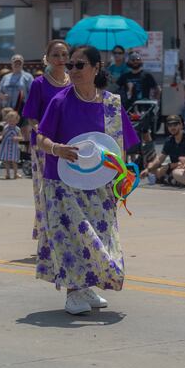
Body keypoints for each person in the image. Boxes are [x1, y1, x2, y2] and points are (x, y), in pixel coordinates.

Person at [35, 44, 139, 315]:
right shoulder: (60, 101)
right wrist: (57, 149)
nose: (73, 70)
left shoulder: (111, 104)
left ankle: (86, 286)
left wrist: (123, 177)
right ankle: (73, 293)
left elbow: (120, 146)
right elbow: (41, 138)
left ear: (96, 68)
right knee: (72, 237)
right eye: (70, 65)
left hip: (101, 182)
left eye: (80, 65)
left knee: (100, 236)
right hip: (62, 181)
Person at [23, 40, 71, 240]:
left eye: (64, 55)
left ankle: (67, 229)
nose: (61, 59)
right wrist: (43, 133)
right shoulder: (39, 84)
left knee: (68, 187)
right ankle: (46, 232)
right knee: (45, 188)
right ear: (47, 58)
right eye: (56, 55)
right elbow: (32, 116)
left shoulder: (74, 81)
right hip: (45, 144)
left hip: (69, 142)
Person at [141, 114, 185, 185]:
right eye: (170, 125)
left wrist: (169, 166)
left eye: (175, 124)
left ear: (181, 125)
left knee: (173, 172)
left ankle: (170, 180)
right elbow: (160, 159)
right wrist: (148, 169)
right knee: (152, 167)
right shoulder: (169, 141)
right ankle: (170, 179)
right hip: (175, 167)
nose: (172, 127)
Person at [0, 109, 22, 179]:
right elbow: (3, 135)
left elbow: (21, 137)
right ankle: (7, 174)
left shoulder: (17, 129)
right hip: (6, 146)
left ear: (17, 121)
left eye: (13, 121)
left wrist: (17, 138)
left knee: (14, 161)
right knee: (6, 161)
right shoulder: (6, 128)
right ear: (7, 121)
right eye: (9, 121)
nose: (11, 123)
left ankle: (15, 173)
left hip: (14, 147)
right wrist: (0, 137)